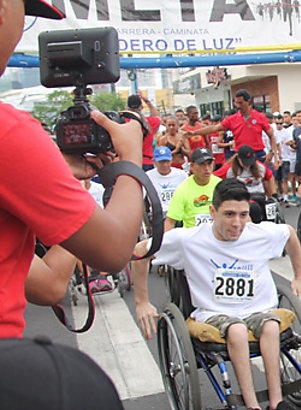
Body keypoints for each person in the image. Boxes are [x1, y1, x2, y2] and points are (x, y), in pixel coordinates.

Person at [3, 0, 144, 338]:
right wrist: (130, 162)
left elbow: (49, 285)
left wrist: (59, 190)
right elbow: (114, 252)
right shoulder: (9, 132)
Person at [141, 178, 301, 410]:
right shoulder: (189, 239)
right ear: (213, 211)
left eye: (243, 214)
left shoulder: (259, 233)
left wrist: (300, 276)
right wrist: (142, 301)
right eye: (229, 214)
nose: (237, 223)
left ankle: (276, 402)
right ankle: (252, 406)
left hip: (258, 310)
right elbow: (140, 251)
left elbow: (290, 233)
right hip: (214, 313)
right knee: (237, 330)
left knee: (271, 325)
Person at [133, 148, 222, 334]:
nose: (207, 168)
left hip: (219, 238)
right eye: (202, 165)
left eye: (210, 164)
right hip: (193, 242)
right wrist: (166, 246)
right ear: (192, 167)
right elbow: (171, 221)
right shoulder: (184, 189)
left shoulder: (220, 185)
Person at [185, 90, 275, 163]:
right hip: (239, 155)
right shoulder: (232, 119)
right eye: (236, 103)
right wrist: (194, 132)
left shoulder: (260, 117)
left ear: (248, 101)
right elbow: (214, 128)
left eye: (241, 103)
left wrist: (272, 152)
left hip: (257, 154)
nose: (238, 106)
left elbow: (271, 135)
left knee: (263, 180)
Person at [146, 146, 188, 215]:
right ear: (154, 161)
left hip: (178, 212)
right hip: (158, 213)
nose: (165, 165)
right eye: (161, 162)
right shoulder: (148, 176)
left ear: (171, 160)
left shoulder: (182, 175)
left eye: (167, 161)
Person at [127, 92, 161, 171]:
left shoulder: (124, 122)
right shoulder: (150, 122)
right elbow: (158, 117)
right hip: (146, 162)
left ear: (127, 108)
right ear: (141, 107)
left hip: (130, 162)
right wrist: (147, 101)